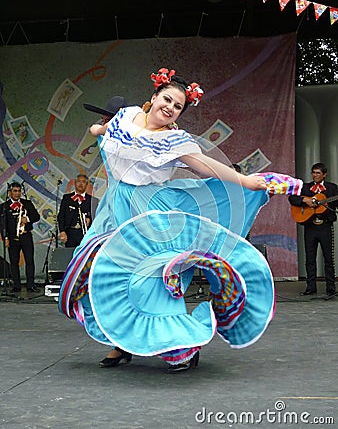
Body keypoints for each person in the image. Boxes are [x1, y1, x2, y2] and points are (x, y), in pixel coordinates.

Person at [58, 68, 302, 373]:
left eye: (177, 106)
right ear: (154, 97)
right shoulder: (126, 116)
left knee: (153, 277)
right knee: (106, 273)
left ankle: (180, 346)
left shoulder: (174, 140)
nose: (170, 107)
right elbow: (105, 132)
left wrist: (247, 182)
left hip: (151, 211)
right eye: (167, 99)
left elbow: (206, 166)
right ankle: (121, 342)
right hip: (114, 209)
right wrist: (97, 130)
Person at [289, 162, 338, 297]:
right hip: (310, 227)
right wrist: (306, 200)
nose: (315, 175)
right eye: (313, 172)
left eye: (318, 173)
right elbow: (292, 198)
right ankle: (311, 287)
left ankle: (330, 288)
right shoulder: (306, 188)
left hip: (325, 226)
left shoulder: (332, 188)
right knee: (310, 257)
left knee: (328, 258)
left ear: (324, 174)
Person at [0, 182, 40, 292]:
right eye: (15, 191)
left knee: (29, 260)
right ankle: (16, 285)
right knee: (14, 262)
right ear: (10, 192)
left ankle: (30, 285)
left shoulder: (27, 203)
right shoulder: (4, 206)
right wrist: (5, 238)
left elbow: (36, 216)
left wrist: (27, 219)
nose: (17, 193)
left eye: (19, 191)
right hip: (12, 238)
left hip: (26, 236)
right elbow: (2, 224)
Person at [57, 174, 99, 248]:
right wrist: (62, 231)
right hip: (70, 233)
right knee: (70, 256)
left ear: (86, 185)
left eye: (83, 182)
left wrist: (90, 219)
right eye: (78, 181)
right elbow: (61, 216)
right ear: (75, 183)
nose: (81, 183)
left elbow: (97, 219)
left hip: (85, 234)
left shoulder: (93, 200)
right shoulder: (67, 198)